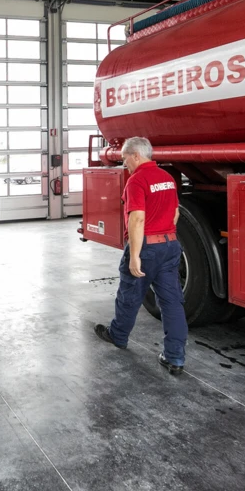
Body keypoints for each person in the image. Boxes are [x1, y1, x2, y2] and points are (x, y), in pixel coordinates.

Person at [94, 136, 188, 375]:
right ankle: (175, 358)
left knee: (130, 294)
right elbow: (175, 213)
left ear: (136, 155)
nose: (125, 164)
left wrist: (135, 255)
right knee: (172, 303)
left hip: (147, 247)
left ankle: (118, 336)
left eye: (125, 159)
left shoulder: (137, 181)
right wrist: (166, 235)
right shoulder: (167, 178)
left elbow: (137, 219)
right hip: (170, 244)